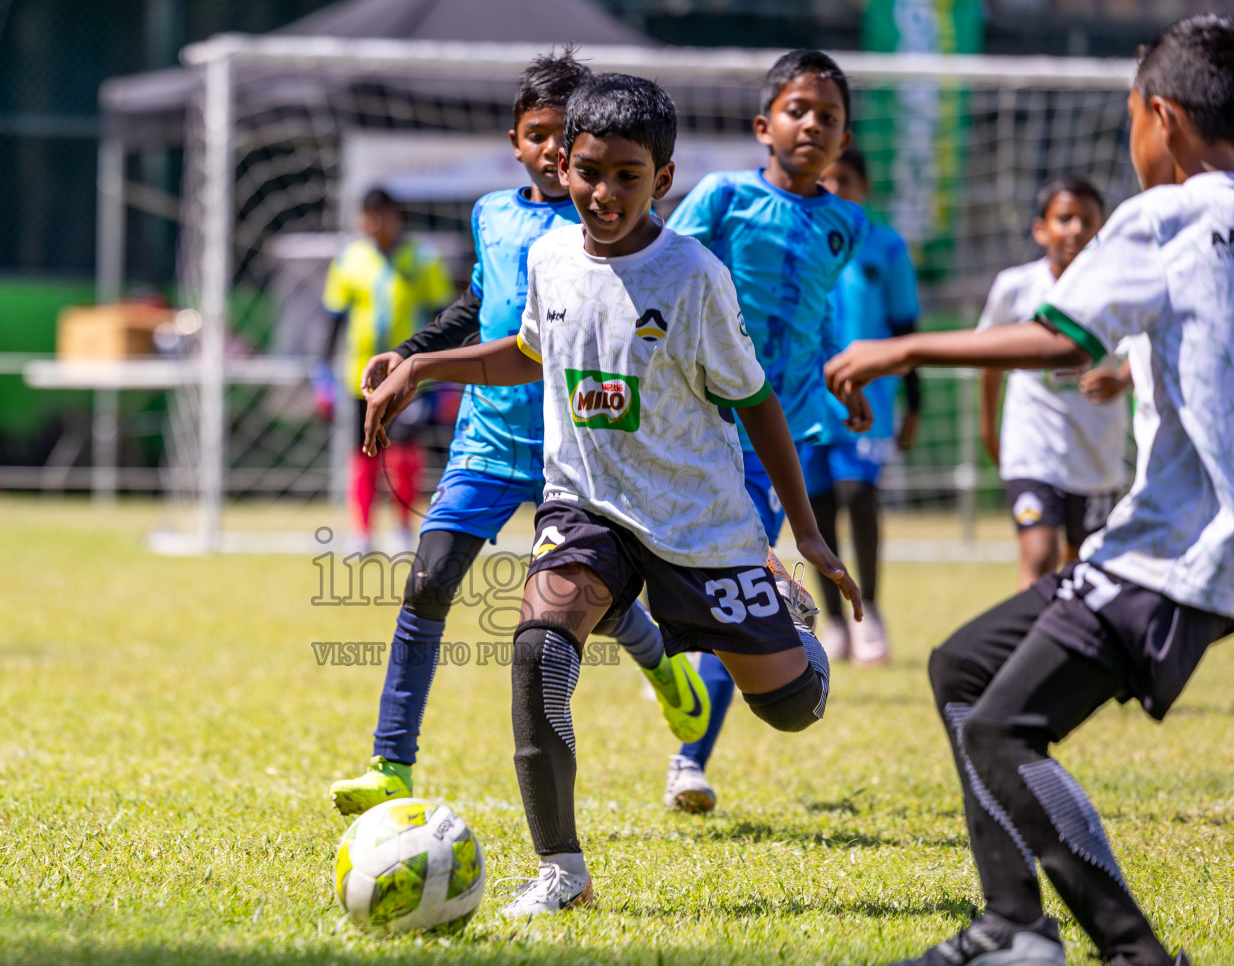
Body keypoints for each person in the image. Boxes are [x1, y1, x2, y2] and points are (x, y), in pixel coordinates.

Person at [366, 72, 862, 918]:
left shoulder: (695, 276)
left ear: (662, 180)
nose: (603, 193)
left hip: (700, 526)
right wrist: (423, 366)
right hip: (586, 508)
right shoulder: (547, 256)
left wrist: (807, 538)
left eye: (627, 177)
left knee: (791, 709)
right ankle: (563, 870)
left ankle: (790, 628)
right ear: (563, 168)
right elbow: (527, 351)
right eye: (589, 172)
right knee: (538, 649)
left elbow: (759, 405)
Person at [825, 16, 1234, 966]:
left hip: (1184, 543)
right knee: (963, 667)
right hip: (1184, 542)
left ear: (1162, 119)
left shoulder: (1168, 212)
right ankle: (1014, 926)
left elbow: (1060, 340)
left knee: (1004, 729)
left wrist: (907, 349)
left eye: (1129, 119)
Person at [328, 50, 713, 817]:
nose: (549, 150)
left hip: (575, 449)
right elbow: (478, 307)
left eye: (561, 137)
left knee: (593, 607)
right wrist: (409, 355)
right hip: (486, 442)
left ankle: (668, 673)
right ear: (516, 141)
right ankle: (391, 763)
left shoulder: (610, 228)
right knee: (428, 581)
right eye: (536, 134)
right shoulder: (493, 217)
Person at [661, 49, 869, 812]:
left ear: (843, 143)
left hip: (771, 449)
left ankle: (689, 759)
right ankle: (664, 663)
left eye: (830, 118)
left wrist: (838, 374)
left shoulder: (846, 226)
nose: (813, 124)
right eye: (799, 110)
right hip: (694, 428)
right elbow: (665, 272)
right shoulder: (720, 199)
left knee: (741, 595)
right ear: (764, 126)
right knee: (676, 588)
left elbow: (811, 319)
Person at [977, 177, 1132, 590]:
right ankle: (1027, 647)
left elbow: (1146, 350)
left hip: (1094, 454)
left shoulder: (1116, 291)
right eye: (1065, 218)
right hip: (1032, 447)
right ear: (1040, 228)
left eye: (1088, 221)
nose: (1076, 230)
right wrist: (988, 428)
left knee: (1082, 564)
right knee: (1039, 554)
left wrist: (1120, 379)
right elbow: (988, 359)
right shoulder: (1015, 288)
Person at [809, 147, 922, 666]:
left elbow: (905, 331)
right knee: (819, 509)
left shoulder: (886, 247)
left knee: (858, 494)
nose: (834, 189)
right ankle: (834, 622)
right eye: (825, 179)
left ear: (864, 187)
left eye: (845, 179)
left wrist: (914, 405)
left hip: (867, 401)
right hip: (805, 398)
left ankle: (870, 611)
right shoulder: (799, 241)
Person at [319, 188, 454, 552]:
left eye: (381, 215)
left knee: (404, 452)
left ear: (398, 217)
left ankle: (402, 530)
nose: (373, 224)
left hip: (405, 381)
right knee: (362, 452)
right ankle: (361, 533)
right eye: (367, 216)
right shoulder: (349, 260)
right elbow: (332, 321)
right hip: (359, 380)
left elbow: (443, 320)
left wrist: (438, 379)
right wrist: (322, 375)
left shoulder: (422, 260)